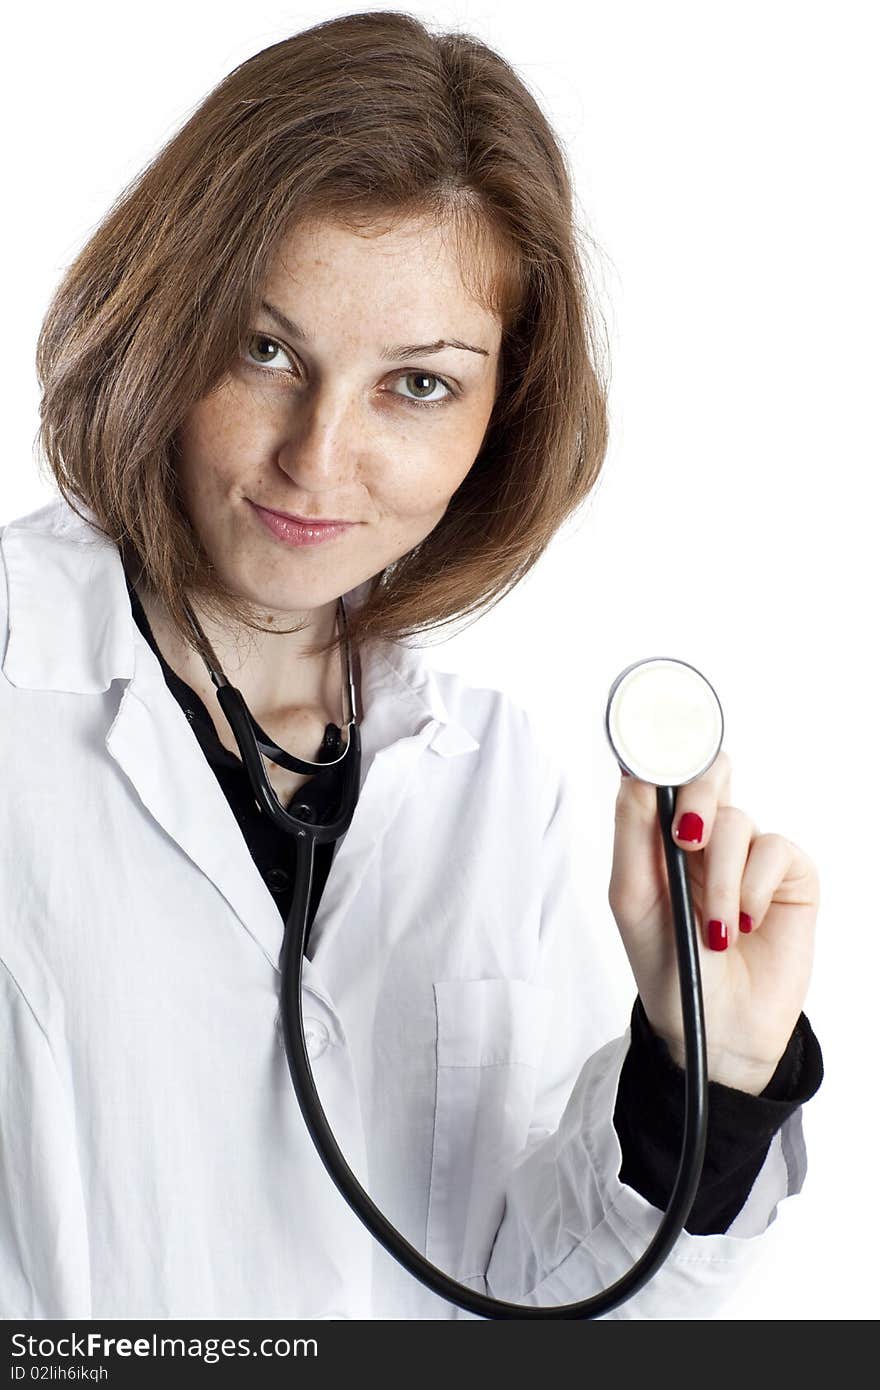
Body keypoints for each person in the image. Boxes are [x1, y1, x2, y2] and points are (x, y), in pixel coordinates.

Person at [0, 11, 822, 1321]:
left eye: (419, 385)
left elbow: (535, 1299)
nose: (318, 459)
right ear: (165, 320)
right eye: (265, 350)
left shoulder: (491, 779)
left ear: (508, 407)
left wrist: (698, 1073)